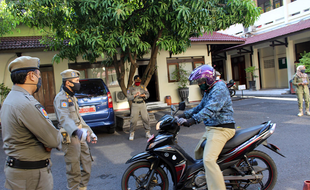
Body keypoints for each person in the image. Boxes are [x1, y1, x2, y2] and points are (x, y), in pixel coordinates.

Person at [1, 56, 62, 190]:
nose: (39, 79)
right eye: (38, 74)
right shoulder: (26, 103)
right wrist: (51, 141)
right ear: (31, 76)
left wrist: (46, 142)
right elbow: (53, 140)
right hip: (31, 175)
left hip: (18, 171)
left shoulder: (10, 99)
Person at [176, 65, 235, 190]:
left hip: (222, 129)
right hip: (212, 128)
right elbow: (200, 107)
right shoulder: (209, 89)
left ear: (208, 79)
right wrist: (184, 115)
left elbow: (210, 110)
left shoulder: (219, 89)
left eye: (200, 81)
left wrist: (192, 121)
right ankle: (206, 178)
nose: (199, 84)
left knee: (208, 160)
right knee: (198, 154)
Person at [53, 69, 98, 190]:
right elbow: (64, 119)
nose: (79, 83)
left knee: (87, 164)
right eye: (76, 81)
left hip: (80, 134)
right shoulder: (61, 98)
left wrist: (90, 132)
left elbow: (79, 119)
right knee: (74, 170)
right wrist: (78, 131)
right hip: (70, 136)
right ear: (68, 83)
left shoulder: (72, 97)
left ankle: (82, 188)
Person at [127, 75, 151, 140]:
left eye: (139, 81)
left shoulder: (143, 87)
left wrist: (144, 95)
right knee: (133, 120)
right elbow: (128, 97)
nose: (138, 82)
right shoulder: (130, 88)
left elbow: (148, 94)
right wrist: (134, 95)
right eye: (136, 81)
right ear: (134, 81)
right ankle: (132, 133)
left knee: (145, 118)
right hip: (135, 104)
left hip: (142, 104)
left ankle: (147, 132)